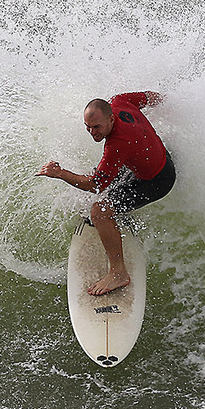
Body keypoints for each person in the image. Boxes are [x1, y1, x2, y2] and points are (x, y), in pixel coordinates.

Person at [36, 91, 176, 295]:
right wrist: (170, 102)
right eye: (88, 127)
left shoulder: (117, 144)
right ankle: (117, 216)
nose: (93, 132)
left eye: (97, 127)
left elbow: (95, 185)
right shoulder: (119, 101)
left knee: (99, 211)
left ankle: (119, 274)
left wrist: (60, 173)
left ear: (111, 118)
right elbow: (148, 97)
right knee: (106, 174)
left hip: (157, 180)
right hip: (156, 155)